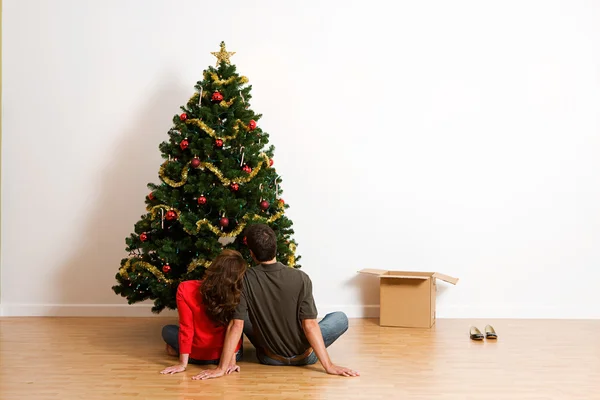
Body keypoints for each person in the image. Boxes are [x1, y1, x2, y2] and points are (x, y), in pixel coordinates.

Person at [191, 224, 359, 380]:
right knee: (340, 318)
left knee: (240, 318)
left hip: (270, 358)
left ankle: (246, 349)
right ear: (275, 247)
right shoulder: (301, 278)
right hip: (305, 357)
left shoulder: (245, 279)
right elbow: (310, 325)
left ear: (252, 253)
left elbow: (236, 325)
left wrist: (221, 368)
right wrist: (328, 366)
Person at [160, 249, 247, 375]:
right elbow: (235, 327)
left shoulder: (185, 288)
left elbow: (186, 328)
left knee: (168, 330)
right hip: (226, 355)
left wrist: (182, 364)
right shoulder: (236, 292)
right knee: (238, 324)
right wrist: (231, 361)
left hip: (196, 355)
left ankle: (180, 353)